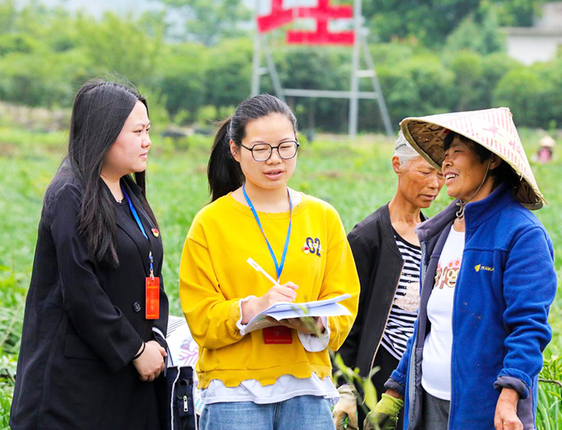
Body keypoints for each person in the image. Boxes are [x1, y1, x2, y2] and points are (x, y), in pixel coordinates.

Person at [366, 108, 557, 430]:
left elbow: (528, 327)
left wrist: (509, 399)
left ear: (492, 160)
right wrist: (397, 388)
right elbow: (427, 323)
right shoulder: (442, 231)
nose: (446, 163)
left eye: (457, 153)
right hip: (427, 402)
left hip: (482, 408)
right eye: (444, 155)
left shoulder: (521, 234)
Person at [179, 94, 360, 430]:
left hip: (308, 388)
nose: (275, 160)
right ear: (235, 151)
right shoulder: (210, 223)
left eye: (285, 147)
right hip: (234, 393)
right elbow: (200, 318)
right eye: (260, 149)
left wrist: (316, 323)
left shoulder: (323, 218)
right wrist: (255, 308)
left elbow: (345, 302)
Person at [10, 80, 169, 429]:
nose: (148, 141)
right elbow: (82, 291)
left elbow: (151, 272)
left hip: (129, 376)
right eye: (138, 131)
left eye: (149, 130)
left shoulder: (128, 188)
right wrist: (134, 349)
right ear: (105, 132)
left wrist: (155, 337)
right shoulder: (70, 192)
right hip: (75, 384)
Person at [334, 132, 445, 430]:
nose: (434, 184)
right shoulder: (366, 238)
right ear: (397, 164)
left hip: (426, 377)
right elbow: (348, 319)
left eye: (441, 174)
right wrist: (344, 387)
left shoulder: (439, 237)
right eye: (424, 172)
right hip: (378, 376)